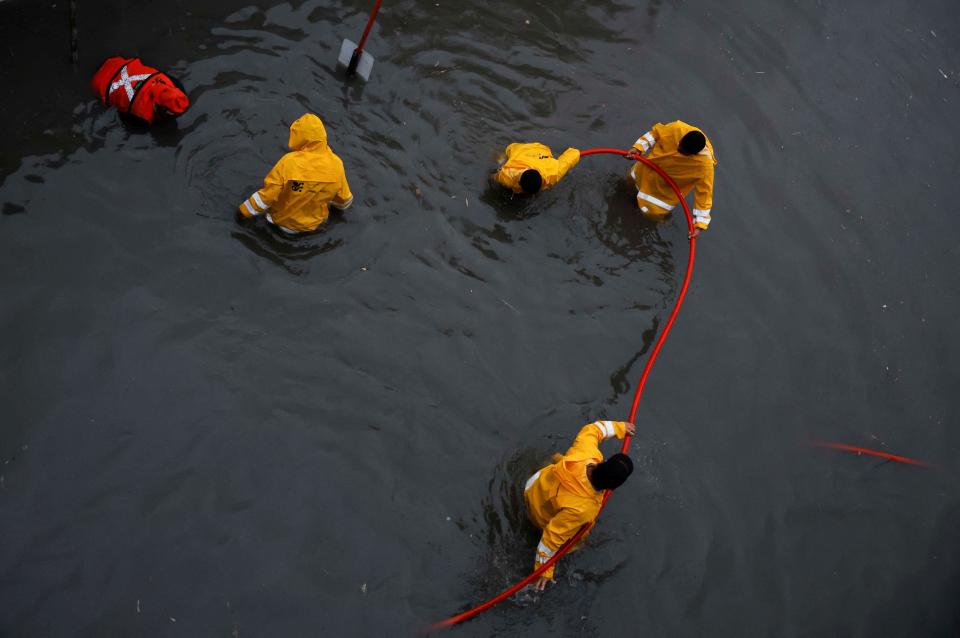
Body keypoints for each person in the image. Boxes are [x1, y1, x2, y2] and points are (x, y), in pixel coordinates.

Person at [523, 419, 635, 591]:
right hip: (537, 515)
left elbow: (593, 429)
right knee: (577, 541)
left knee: (560, 461)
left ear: (603, 462)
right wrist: (544, 572)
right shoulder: (582, 509)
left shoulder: (587, 453)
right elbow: (550, 538)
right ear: (612, 488)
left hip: (534, 485)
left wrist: (619, 427)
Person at [237, 113, 353, 234]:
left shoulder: (289, 162)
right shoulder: (337, 164)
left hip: (282, 223)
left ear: (299, 137)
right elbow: (344, 200)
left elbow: (266, 197)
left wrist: (242, 212)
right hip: (314, 225)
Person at [627, 120, 717, 238]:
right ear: (682, 137)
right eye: (679, 145)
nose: (678, 149)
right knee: (626, 187)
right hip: (642, 173)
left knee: (643, 221)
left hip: (658, 197)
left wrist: (699, 225)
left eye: (683, 152)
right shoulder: (677, 128)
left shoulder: (705, 167)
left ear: (694, 154)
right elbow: (654, 134)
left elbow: (704, 194)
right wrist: (638, 148)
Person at [90, 56, 190, 124]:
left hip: (115, 61)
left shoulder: (170, 81)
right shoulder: (142, 116)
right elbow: (123, 115)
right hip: (98, 83)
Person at [493, 142, 580, 195]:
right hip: (521, 149)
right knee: (502, 160)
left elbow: (570, 158)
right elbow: (493, 177)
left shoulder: (553, 173)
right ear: (518, 182)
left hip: (540, 149)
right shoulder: (508, 176)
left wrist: (576, 152)